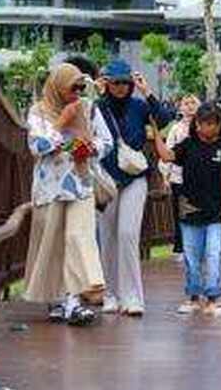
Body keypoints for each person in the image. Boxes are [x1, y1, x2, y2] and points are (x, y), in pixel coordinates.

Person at [22, 63, 112, 325]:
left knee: (78, 238)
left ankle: (75, 302)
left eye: (81, 87)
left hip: (81, 184)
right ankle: (57, 300)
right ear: (57, 86)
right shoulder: (38, 111)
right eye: (73, 88)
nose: (78, 93)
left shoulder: (88, 108)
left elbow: (106, 142)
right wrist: (63, 121)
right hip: (49, 188)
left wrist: (90, 148)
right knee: (52, 244)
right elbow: (38, 146)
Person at [95, 59, 176, 317]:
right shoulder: (99, 106)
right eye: (115, 82)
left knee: (128, 234)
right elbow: (86, 122)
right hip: (107, 178)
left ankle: (132, 296)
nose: (120, 87)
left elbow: (164, 119)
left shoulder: (139, 106)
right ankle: (109, 294)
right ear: (107, 83)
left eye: (125, 82)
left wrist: (146, 90)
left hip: (135, 177)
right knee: (107, 237)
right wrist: (97, 93)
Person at [153, 102, 221, 317]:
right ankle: (193, 297)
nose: (205, 127)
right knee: (191, 255)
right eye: (202, 123)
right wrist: (156, 132)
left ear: (219, 125)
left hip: (216, 210)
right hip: (189, 208)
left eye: (210, 123)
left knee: (214, 253)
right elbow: (166, 156)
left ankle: (213, 298)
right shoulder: (188, 144)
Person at [159, 94, 200, 259]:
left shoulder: (202, 127)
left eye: (193, 103)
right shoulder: (176, 129)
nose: (189, 106)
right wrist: (165, 176)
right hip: (178, 177)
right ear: (180, 107)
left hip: (199, 178)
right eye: (186, 103)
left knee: (198, 211)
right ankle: (180, 247)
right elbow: (168, 151)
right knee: (180, 212)